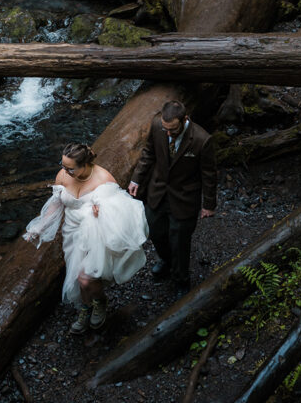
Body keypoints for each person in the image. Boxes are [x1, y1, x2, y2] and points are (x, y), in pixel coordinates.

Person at [23, 142, 149, 334]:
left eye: (70, 168)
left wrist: (103, 210)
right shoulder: (63, 175)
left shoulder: (103, 179)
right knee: (76, 273)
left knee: (85, 278)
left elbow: (123, 210)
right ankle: (86, 307)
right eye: (63, 165)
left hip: (96, 232)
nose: (65, 171)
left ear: (84, 165)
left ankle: (100, 303)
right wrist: (39, 227)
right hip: (72, 232)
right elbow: (57, 204)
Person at [128, 100, 216, 297]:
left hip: (184, 197)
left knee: (180, 241)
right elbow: (149, 153)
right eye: (165, 128)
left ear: (185, 119)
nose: (168, 133)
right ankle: (166, 261)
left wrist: (209, 204)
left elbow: (209, 174)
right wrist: (136, 179)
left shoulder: (202, 139)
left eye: (173, 130)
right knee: (155, 232)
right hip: (157, 191)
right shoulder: (157, 125)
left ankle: (181, 279)